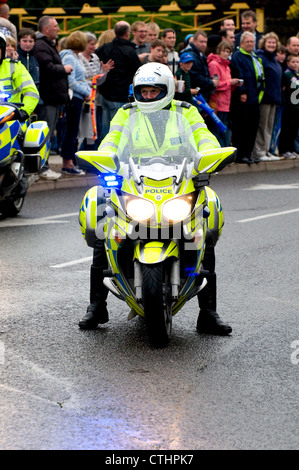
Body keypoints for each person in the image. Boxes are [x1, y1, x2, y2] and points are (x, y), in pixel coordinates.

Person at [78, 62, 232, 337]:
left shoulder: (186, 112)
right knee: (104, 222)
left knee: (203, 227)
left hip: (178, 181)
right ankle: (97, 305)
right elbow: (112, 141)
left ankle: (208, 313)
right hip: (136, 182)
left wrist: (208, 159)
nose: (148, 97)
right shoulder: (126, 114)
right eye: (143, 91)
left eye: (154, 91)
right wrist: (106, 160)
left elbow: (204, 138)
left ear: (168, 90)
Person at [34, 16, 72, 180]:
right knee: (45, 134)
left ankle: (43, 166)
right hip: (49, 97)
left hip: (52, 97)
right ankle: (43, 167)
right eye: (55, 26)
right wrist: (63, 68)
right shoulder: (41, 45)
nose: (58, 29)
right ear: (46, 29)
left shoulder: (46, 44)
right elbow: (47, 68)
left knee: (48, 133)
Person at [95, 21, 141, 138]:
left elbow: (94, 58)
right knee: (118, 129)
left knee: (105, 128)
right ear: (127, 33)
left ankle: (104, 151)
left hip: (105, 94)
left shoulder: (105, 48)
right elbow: (137, 72)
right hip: (120, 95)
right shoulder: (129, 51)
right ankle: (115, 152)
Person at [59, 31, 91, 175]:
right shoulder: (70, 57)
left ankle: (70, 161)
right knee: (71, 131)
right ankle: (68, 163)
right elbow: (71, 82)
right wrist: (86, 92)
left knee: (73, 131)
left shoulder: (73, 56)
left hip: (78, 97)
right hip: (74, 99)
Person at [230, 32, 265, 164]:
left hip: (255, 97)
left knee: (252, 127)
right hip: (243, 99)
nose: (250, 44)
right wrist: (242, 92)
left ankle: (249, 153)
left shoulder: (254, 56)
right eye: (248, 42)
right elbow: (239, 74)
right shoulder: (238, 56)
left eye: (252, 41)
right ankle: (241, 155)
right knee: (241, 128)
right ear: (242, 43)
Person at [78, 32, 114, 150]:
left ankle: (91, 150)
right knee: (82, 128)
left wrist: (104, 72)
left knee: (94, 128)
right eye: (90, 44)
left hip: (94, 98)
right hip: (83, 96)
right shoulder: (78, 58)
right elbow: (81, 78)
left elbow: (98, 81)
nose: (93, 47)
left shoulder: (95, 58)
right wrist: (85, 91)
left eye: (94, 44)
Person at [252, 32, 283, 162]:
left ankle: (266, 150)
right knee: (262, 126)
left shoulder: (274, 59)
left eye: (273, 42)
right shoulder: (261, 57)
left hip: (274, 98)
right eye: (269, 42)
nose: (271, 45)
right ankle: (259, 152)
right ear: (264, 43)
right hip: (264, 97)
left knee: (269, 126)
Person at [207, 41, 240, 146]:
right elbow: (215, 84)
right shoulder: (214, 64)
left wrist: (234, 84)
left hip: (226, 103)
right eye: (224, 51)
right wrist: (230, 82)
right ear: (219, 51)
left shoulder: (227, 67)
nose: (226, 54)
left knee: (223, 131)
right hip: (217, 103)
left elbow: (226, 85)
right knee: (216, 131)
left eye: (228, 52)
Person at [0, 32, 39, 120]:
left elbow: (31, 92)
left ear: (2, 50)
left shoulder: (14, 67)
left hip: (9, 118)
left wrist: (23, 111)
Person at [184, 30, 219, 117]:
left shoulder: (200, 54)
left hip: (202, 96)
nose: (204, 44)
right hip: (195, 97)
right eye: (201, 42)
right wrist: (211, 83)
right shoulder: (190, 55)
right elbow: (195, 77)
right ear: (194, 41)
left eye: (205, 42)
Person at [278, 54, 299, 159]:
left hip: (296, 106)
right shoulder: (288, 74)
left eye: (297, 62)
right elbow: (296, 85)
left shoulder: (296, 74)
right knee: (287, 128)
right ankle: (284, 150)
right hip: (289, 105)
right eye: (293, 62)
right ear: (288, 63)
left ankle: (291, 149)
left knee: (294, 129)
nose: (295, 64)